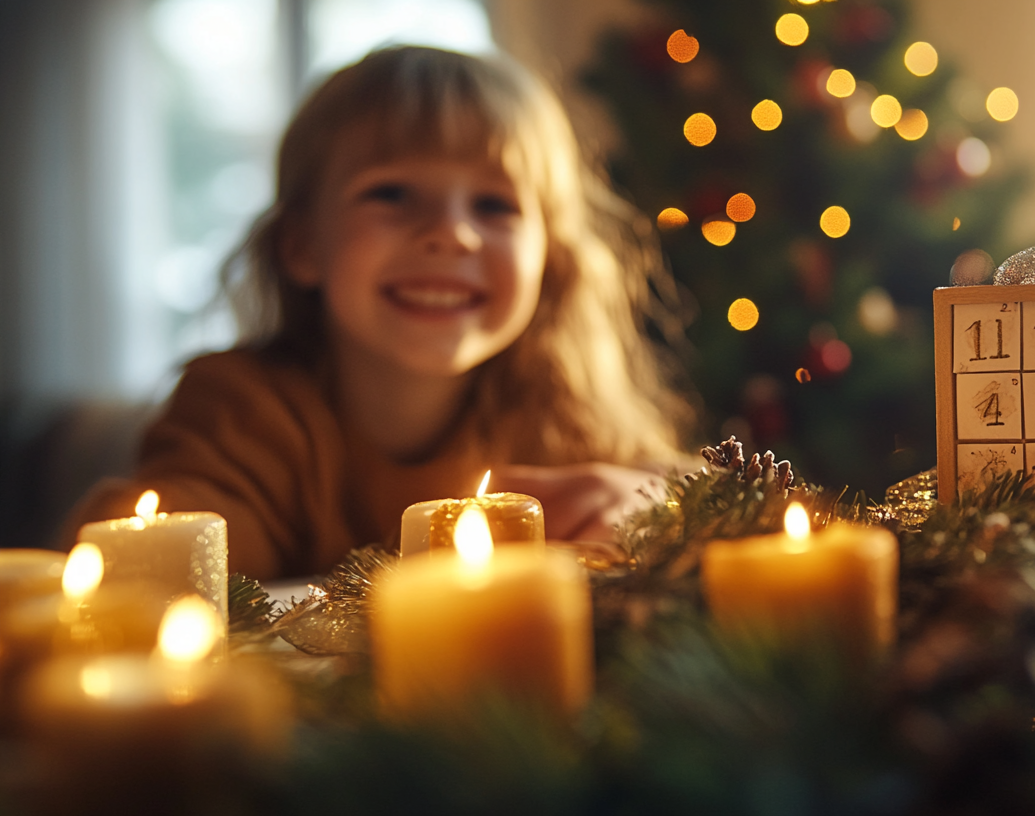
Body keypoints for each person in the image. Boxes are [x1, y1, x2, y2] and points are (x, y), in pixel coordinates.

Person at [64, 46, 696, 579]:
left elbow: (716, 507)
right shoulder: (244, 409)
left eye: (494, 206)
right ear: (302, 245)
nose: (452, 235)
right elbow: (166, 558)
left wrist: (661, 500)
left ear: (550, 262)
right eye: (391, 194)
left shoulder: (564, 412)